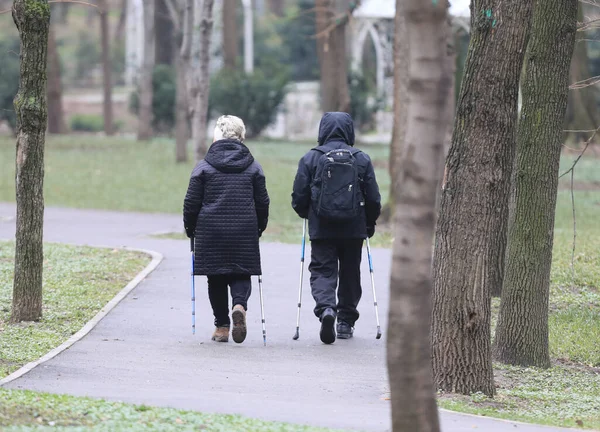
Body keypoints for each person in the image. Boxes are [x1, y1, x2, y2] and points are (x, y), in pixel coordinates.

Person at [291, 112, 381, 344]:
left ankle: (326, 309)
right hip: (353, 228)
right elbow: (373, 198)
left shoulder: (310, 158)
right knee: (351, 273)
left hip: (322, 226)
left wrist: (306, 213)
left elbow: (299, 196)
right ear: (350, 130)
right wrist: (369, 223)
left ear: (322, 130)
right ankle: (345, 322)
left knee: (322, 270)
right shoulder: (361, 158)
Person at [183, 115, 270, 344]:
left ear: (217, 136)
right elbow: (263, 201)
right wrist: (260, 226)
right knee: (241, 272)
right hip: (244, 229)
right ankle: (239, 305)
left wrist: (190, 228)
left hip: (211, 231)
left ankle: (222, 327)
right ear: (241, 136)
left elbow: (191, 202)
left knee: (216, 278)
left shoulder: (203, 167)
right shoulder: (253, 167)